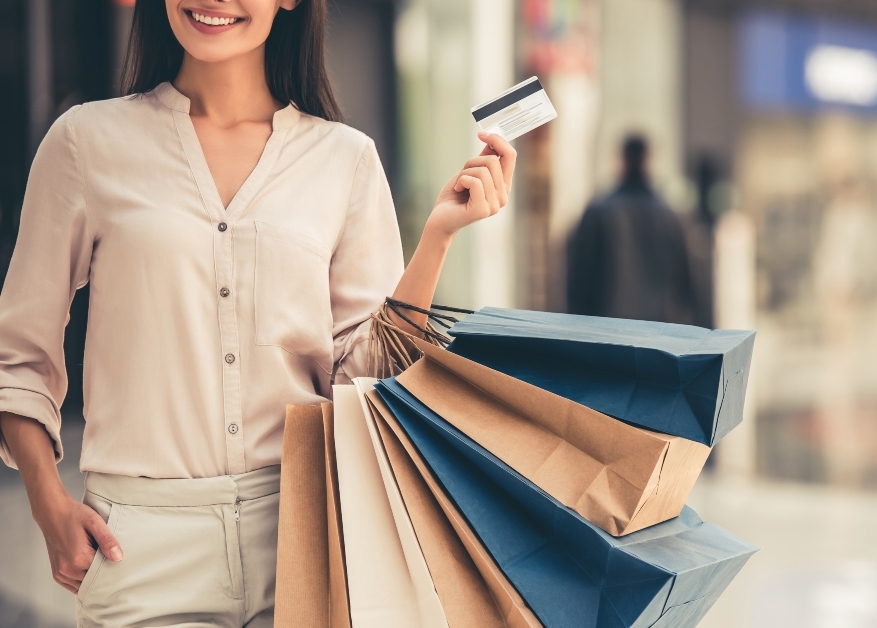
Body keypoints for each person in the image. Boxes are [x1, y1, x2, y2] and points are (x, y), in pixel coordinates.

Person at [0, 0, 516, 625]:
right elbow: (18, 354)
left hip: (310, 533)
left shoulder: (344, 160)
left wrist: (436, 238)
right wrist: (45, 501)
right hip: (140, 545)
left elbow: (363, 382)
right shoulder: (86, 142)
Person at [566, 134, 695, 325]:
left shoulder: (598, 211)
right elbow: (686, 282)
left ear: (622, 159)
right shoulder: (669, 215)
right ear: (648, 160)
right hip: (657, 329)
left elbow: (579, 279)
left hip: (605, 329)